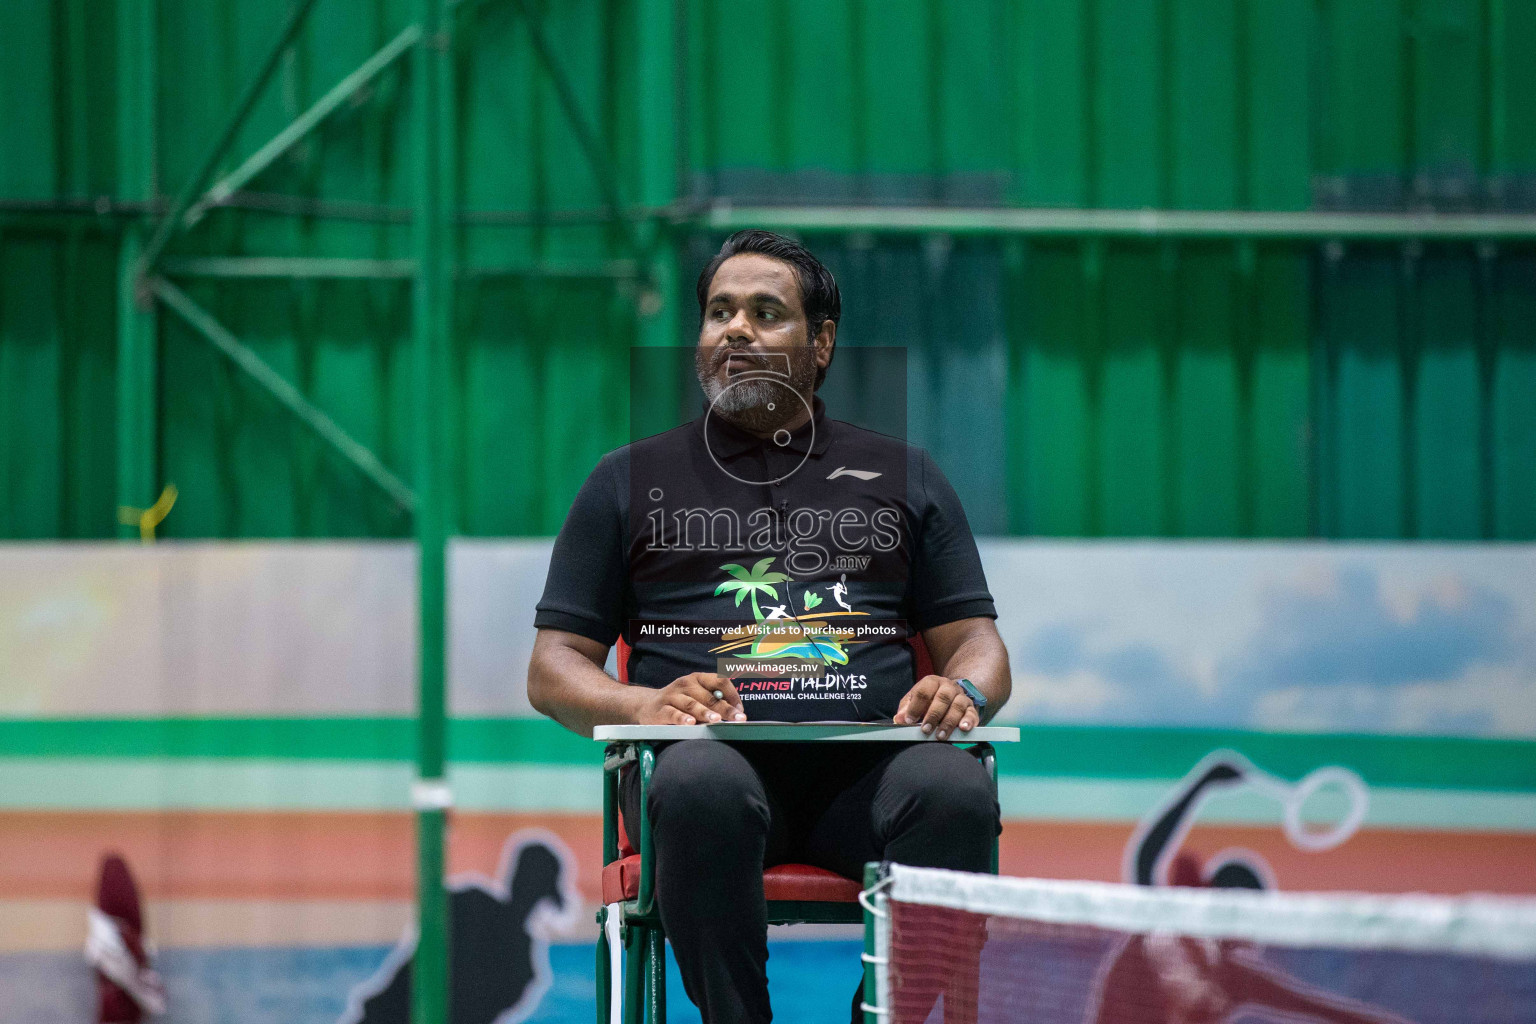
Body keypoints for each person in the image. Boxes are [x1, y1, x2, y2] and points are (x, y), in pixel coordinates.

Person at [528, 230, 1011, 1023]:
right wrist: (642, 706)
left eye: (765, 312)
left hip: (870, 778)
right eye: (719, 313)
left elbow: (980, 647)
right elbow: (552, 669)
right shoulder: (625, 482)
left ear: (821, 344)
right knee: (695, 784)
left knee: (955, 789)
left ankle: (879, 1015)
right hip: (708, 775)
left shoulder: (907, 478)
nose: (736, 330)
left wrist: (959, 692)